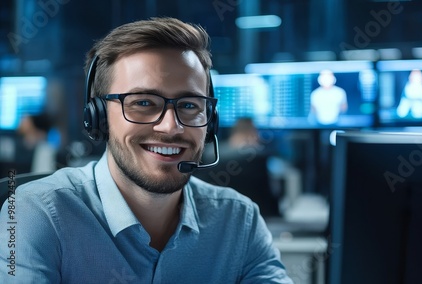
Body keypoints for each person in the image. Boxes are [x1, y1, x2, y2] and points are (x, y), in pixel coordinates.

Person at [0, 17, 292, 283]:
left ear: (210, 121)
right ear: (98, 117)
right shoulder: (35, 214)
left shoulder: (239, 220)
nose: (171, 127)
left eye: (189, 105)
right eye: (142, 102)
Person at [194, 117, 282, 218]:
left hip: (216, 216)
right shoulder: (260, 156)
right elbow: (275, 194)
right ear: (253, 133)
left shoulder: (211, 154)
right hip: (258, 216)